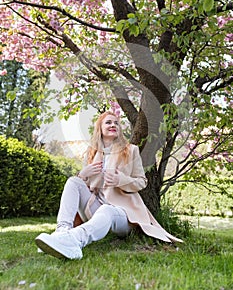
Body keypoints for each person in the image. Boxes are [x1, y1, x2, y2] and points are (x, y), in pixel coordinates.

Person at [35, 111, 182, 259]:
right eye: (108, 122)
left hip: (124, 213)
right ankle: (61, 233)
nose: (113, 125)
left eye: (116, 123)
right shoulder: (92, 152)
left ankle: (74, 241)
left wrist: (121, 180)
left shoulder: (131, 150)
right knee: (73, 181)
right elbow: (84, 185)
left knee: (107, 209)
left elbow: (142, 182)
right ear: (100, 128)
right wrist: (83, 174)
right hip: (95, 205)